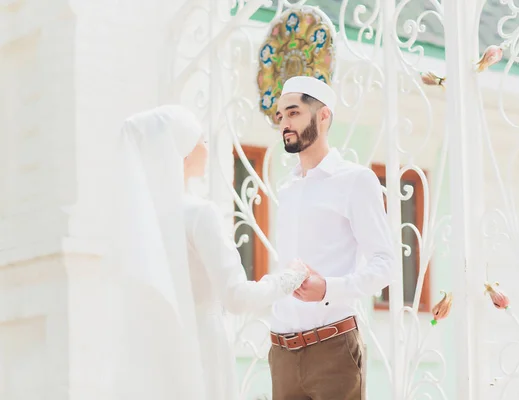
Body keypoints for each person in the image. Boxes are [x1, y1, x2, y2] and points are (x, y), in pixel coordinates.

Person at [110, 105, 310, 399]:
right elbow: (237, 297)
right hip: (202, 348)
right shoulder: (199, 214)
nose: (207, 147)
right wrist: (291, 277)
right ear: (183, 152)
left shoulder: (138, 221)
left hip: (159, 350)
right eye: (201, 140)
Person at [267, 76, 396, 400]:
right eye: (281, 115)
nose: (285, 123)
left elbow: (385, 265)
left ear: (323, 116)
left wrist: (329, 289)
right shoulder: (287, 188)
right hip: (281, 351)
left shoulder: (355, 181)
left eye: (294, 113)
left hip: (332, 351)